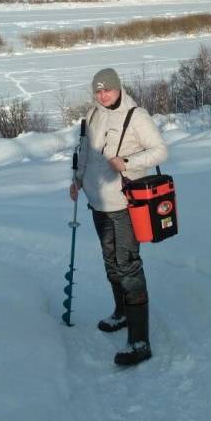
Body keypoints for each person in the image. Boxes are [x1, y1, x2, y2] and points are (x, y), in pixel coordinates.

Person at [70, 67, 167, 366]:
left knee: (128, 265)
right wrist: (77, 178)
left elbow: (160, 151)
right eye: (98, 91)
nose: (102, 95)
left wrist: (126, 162)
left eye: (107, 89)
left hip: (126, 204)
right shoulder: (92, 114)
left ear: (118, 88)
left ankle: (140, 342)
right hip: (98, 202)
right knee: (111, 260)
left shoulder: (136, 115)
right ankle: (122, 313)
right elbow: (84, 151)